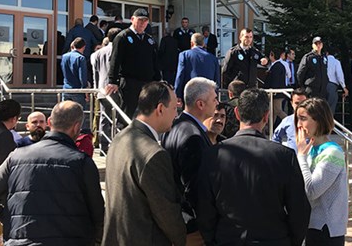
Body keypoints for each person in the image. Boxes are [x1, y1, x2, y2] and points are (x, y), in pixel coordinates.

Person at [0, 101, 104, 246]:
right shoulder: (82, 162)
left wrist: (9, 218)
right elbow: (99, 216)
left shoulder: (16, 157)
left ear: (49, 122)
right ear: (77, 127)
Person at [196, 88, 310, 245]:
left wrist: (214, 240)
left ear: (236, 113)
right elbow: (300, 211)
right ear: (266, 116)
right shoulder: (284, 156)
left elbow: (204, 209)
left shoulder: (213, 155)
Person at [103, 81, 186, 245]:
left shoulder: (119, 138)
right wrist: (182, 239)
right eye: (174, 109)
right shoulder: (154, 154)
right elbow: (166, 213)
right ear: (160, 109)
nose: (176, 116)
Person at [161, 77, 218, 246]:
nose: (217, 103)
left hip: (180, 219)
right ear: (200, 104)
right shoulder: (193, 136)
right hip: (192, 227)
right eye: (214, 99)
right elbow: (195, 187)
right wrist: (208, 227)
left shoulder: (174, 126)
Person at [295, 98, 348, 245]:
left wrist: (301, 156)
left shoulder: (332, 153)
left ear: (319, 120)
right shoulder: (311, 149)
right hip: (311, 225)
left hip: (326, 230)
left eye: (303, 119)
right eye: (298, 119)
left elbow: (311, 191)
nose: (299, 125)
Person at [106, 8, 161, 118]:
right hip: (129, 83)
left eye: (145, 21)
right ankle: (123, 134)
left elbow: (155, 62)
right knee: (127, 113)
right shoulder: (123, 37)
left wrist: (158, 80)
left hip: (147, 83)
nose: (142, 23)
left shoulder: (149, 40)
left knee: (147, 113)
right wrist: (113, 80)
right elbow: (115, 59)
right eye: (140, 20)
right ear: (132, 19)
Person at [91, 28, 121, 154]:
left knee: (104, 117)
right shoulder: (118, 51)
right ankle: (116, 145)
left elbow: (95, 73)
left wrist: (96, 88)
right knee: (118, 118)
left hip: (102, 88)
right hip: (116, 88)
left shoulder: (98, 53)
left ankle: (104, 146)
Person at [174, 32, 220, 101]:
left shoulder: (184, 55)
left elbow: (180, 75)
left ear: (191, 43)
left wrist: (177, 94)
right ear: (203, 44)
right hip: (208, 95)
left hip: (190, 94)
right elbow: (217, 79)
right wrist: (215, 96)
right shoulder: (213, 58)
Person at [272, 88, 308, 152]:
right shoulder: (287, 121)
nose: (300, 106)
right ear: (291, 103)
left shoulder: (315, 121)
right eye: (297, 103)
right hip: (293, 159)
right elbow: (275, 138)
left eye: (303, 103)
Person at [62, 37, 89, 109]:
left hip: (66, 89)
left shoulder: (64, 56)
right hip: (78, 90)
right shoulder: (81, 58)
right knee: (79, 114)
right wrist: (85, 90)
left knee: (65, 113)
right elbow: (82, 76)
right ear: (84, 47)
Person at [263, 48, 288, 122]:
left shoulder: (276, 66)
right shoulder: (278, 65)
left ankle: (291, 123)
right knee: (272, 113)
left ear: (272, 55)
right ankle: (270, 129)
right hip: (277, 93)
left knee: (278, 111)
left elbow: (275, 80)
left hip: (276, 93)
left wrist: (272, 92)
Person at [326, 48, 348, 114]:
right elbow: (339, 75)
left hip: (321, 86)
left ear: (327, 53)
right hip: (332, 86)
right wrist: (344, 87)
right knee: (330, 109)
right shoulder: (336, 62)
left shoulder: (322, 60)